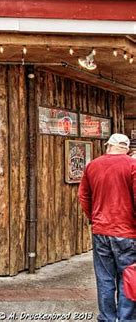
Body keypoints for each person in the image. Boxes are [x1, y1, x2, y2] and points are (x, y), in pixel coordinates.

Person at [78, 133, 136, 322]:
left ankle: (107, 318)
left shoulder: (92, 166)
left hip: (101, 231)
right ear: (126, 149)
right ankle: (126, 319)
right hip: (128, 232)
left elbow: (84, 197)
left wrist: (94, 219)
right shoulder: (132, 165)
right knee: (128, 278)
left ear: (107, 146)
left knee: (104, 279)